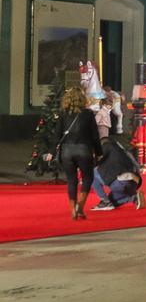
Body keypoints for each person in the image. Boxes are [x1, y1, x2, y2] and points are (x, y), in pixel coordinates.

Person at [47, 86, 102, 220]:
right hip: (84, 150)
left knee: (72, 181)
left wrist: (51, 152)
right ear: (83, 99)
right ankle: (81, 206)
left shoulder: (63, 114)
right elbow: (95, 136)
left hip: (67, 151)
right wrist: (99, 152)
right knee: (88, 178)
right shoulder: (88, 114)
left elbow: (57, 135)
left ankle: (73, 209)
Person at [91, 136, 145, 211]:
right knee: (113, 201)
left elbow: (94, 162)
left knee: (91, 173)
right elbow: (138, 168)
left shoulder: (106, 146)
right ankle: (134, 198)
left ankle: (105, 201)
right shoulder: (124, 151)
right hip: (134, 184)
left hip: (120, 182)